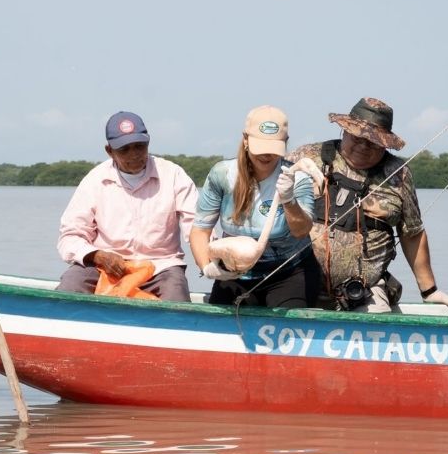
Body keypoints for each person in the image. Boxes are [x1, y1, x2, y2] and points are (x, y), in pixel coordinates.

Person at [289, 96, 448, 314]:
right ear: (345, 130)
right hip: (298, 283)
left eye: (372, 141)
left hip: (365, 291)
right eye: (357, 138)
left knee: (379, 326)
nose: (363, 146)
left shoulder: (399, 174)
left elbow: (412, 234)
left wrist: (429, 291)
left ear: (384, 143)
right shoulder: (306, 157)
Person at [56, 111, 198, 302]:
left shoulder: (173, 175)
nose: (134, 155)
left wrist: (211, 260)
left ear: (148, 142)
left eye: (140, 146)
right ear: (109, 151)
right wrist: (96, 255)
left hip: (161, 267)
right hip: (104, 266)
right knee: (69, 287)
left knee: (176, 296)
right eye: (124, 149)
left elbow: (198, 227)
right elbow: (70, 236)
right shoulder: (95, 180)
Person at [190, 106, 320, 308]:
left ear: (285, 143)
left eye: (273, 147)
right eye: (261, 146)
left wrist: (289, 200)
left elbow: (301, 231)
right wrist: (207, 268)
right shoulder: (222, 175)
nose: (266, 154)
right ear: (245, 140)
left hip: (288, 271)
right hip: (235, 272)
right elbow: (200, 230)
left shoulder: (297, 178)